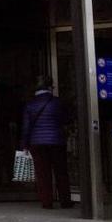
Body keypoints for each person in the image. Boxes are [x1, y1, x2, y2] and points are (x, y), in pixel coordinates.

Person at [20, 75, 73, 209]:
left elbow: (26, 127)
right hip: (57, 141)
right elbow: (66, 120)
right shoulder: (58, 102)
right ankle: (65, 201)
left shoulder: (30, 104)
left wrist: (24, 144)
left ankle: (47, 202)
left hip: (37, 142)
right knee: (61, 172)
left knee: (43, 173)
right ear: (50, 87)